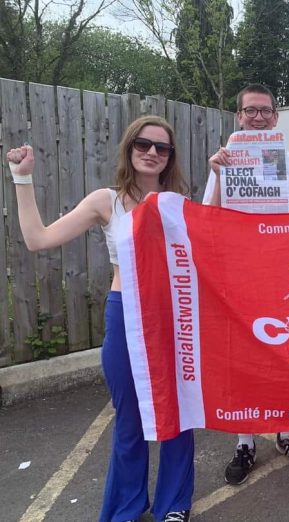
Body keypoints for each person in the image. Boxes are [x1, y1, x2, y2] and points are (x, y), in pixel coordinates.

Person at [6, 115, 195, 522]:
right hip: (125, 313)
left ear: (170, 157)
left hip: (172, 317)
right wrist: (21, 179)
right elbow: (38, 240)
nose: (151, 153)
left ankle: (175, 505)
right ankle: (125, 508)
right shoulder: (105, 201)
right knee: (130, 417)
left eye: (161, 148)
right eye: (143, 144)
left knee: (179, 413)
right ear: (129, 148)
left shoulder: (179, 205)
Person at [202, 83, 289, 486]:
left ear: (275, 117)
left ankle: (287, 433)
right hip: (237, 278)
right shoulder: (223, 160)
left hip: (281, 275)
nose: (257, 117)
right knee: (243, 360)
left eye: (264, 111)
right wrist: (218, 174)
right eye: (250, 111)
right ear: (238, 117)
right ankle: (245, 441)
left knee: (283, 356)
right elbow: (206, 218)